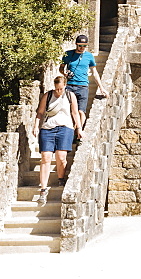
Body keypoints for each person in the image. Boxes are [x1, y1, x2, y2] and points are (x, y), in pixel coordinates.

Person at [33, 76, 82, 206]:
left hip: (65, 128)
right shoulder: (48, 96)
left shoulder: (70, 96)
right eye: (57, 89)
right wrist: (35, 126)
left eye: (61, 88)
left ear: (65, 86)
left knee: (61, 157)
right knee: (46, 157)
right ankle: (43, 189)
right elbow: (40, 112)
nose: (59, 91)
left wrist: (79, 129)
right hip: (48, 128)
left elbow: (75, 113)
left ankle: (61, 178)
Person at [59, 34, 109, 130]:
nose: (82, 48)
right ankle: (71, 130)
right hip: (70, 86)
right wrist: (65, 74)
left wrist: (101, 88)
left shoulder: (89, 56)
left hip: (83, 86)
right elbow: (61, 68)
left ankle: (79, 131)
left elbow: (94, 73)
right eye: (80, 45)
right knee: (70, 111)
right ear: (76, 44)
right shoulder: (68, 54)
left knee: (81, 111)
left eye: (84, 46)